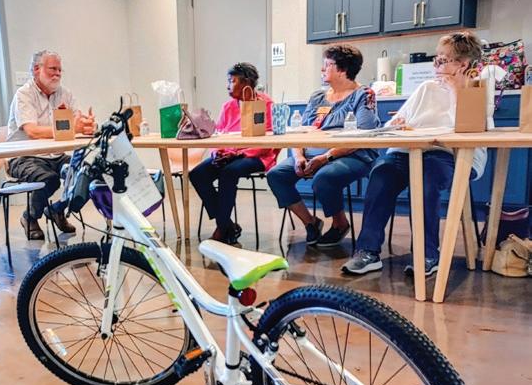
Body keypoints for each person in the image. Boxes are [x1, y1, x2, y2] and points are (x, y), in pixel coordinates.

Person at [342, 31, 487, 276]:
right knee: (381, 174)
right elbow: (393, 124)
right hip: (408, 150)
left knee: (427, 179)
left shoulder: (478, 89)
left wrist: (455, 90)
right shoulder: (427, 88)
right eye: (436, 59)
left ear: (462, 65)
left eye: (442, 60)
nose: (436, 66)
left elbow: (470, 129)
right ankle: (367, 252)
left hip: (449, 154)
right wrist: (397, 124)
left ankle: (426, 255)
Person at [267, 44, 380, 247]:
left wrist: (326, 157)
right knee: (276, 175)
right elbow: (300, 130)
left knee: (324, 178)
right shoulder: (318, 97)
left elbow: (362, 136)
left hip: (351, 155)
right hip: (312, 153)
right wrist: (299, 156)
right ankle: (310, 222)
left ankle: (340, 224)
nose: (322, 69)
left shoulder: (364, 95)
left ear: (342, 69)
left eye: (327, 65)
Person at [6, 50, 95, 240]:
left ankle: (57, 209)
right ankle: (30, 217)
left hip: (55, 155)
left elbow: (76, 123)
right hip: (24, 156)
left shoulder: (65, 94)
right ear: (36, 70)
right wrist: (73, 128)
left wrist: (87, 126)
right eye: (52, 69)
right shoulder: (24, 94)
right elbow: (33, 131)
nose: (57, 74)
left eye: (60, 70)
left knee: (89, 172)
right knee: (49, 179)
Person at [189, 62, 278, 244]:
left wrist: (238, 154)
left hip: (257, 155)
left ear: (246, 83)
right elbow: (218, 134)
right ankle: (227, 225)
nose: (227, 85)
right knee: (197, 174)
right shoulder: (228, 106)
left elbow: (268, 140)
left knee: (229, 172)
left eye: (232, 81)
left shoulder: (265, 104)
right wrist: (217, 153)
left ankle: (222, 229)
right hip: (228, 154)